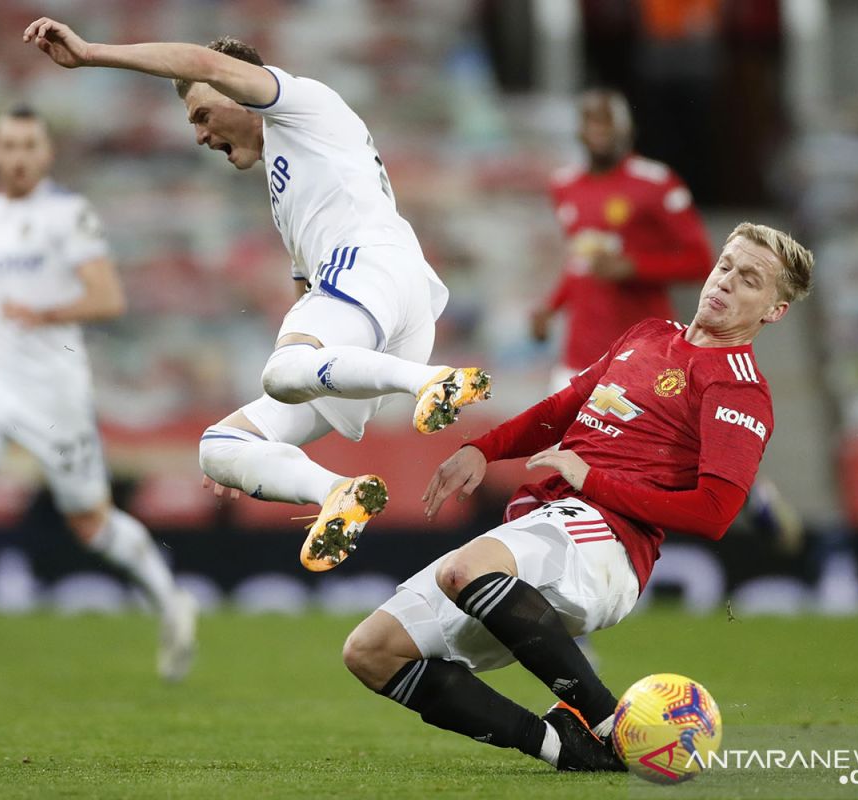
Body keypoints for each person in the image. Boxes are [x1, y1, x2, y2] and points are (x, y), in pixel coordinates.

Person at [24, 19, 491, 572]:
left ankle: (432, 383)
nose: (199, 135)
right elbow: (307, 292)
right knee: (221, 447)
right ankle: (340, 492)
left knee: (283, 367)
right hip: (380, 309)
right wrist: (258, 458)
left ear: (240, 92)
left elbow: (203, 63)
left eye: (201, 115)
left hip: (372, 264)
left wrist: (91, 53)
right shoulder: (288, 175)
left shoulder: (299, 103)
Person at [343, 223, 814, 770]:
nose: (726, 282)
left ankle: (613, 723)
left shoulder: (738, 388)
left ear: (773, 311)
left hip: (608, 542)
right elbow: (562, 408)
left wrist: (593, 481)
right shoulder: (648, 334)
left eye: (749, 279)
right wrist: (483, 448)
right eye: (727, 265)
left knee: (464, 571)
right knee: (371, 652)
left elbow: (715, 513)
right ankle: (561, 747)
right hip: (550, 521)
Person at [0, 106, 197, 687]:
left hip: (52, 390)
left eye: (29, 145)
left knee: (91, 524)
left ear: (46, 155)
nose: (19, 156)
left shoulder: (68, 216)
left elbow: (107, 298)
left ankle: (171, 601)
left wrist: (46, 312)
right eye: (9, 145)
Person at [531, 89, 712, 394]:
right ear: (579, 129)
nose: (599, 129)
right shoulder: (565, 185)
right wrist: (552, 307)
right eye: (591, 121)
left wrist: (635, 266)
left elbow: (700, 262)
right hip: (579, 355)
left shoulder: (655, 183)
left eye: (607, 121)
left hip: (643, 353)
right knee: (563, 441)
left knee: (636, 441)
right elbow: (580, 262)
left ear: (627, 128)